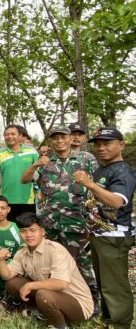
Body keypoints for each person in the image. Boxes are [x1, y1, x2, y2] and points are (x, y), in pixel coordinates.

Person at [20, 126, 98, 303]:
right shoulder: (47, 161)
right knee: (51, 263)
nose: (59, 141)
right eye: (55, 138)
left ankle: (91, 302)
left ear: (71, 139)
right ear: (51, 141)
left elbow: (99, 185)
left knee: (82, 264)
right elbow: (24, 179)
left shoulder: (86, 159)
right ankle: (56, 300)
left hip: (77, 223)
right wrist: (35, 164)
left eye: (63, 137)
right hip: (50, 224)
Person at [73, 127, 135, 329]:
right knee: (104, 283)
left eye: (107, 143)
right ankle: (109, 320)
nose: (101, 148)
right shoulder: (104, 168)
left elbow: (117, 202)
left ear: (121, 145)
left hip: (113, 235)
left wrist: (89, 184)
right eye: (97, 144)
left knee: (114, 285)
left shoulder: (122, 171)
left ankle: (120, 324)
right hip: (99, 233)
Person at [0, 213, 94, 328]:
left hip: (78, 304)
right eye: (23, 231)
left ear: (42, 232)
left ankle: (59, 326)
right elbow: (7, 276)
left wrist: (30, 286)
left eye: (32, 230)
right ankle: (40, 311)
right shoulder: (22, 251)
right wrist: (0, 260)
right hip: (50, 296)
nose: (28, 235)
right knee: (12, 283)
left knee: (43, 295)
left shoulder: (55, 250)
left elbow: (61, 283)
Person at [0, 125, 38, 221]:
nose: (9, 136)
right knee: (9, 230)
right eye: (7, 134)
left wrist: (39, 192)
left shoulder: (31, 151)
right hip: (6, 200)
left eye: (13, 134)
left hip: (28, 200)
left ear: (20, 136)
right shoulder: (0, 152)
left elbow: (39, 173)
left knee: (26, 230)